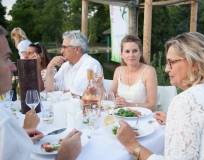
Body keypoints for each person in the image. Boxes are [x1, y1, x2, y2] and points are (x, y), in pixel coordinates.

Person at [116, 32, 204, 160]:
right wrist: (174, 120)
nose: (166, 69)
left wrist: (131, 144)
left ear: (194, 64)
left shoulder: (185, 101)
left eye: (171, 62)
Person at [0, 26, 82, 159]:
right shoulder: (3, 123)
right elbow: (50, 91)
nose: (13, 66)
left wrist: (21, 135)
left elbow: (48, 91)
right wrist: (64, 157)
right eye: (6, 58)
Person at [96, 35, 157, 111]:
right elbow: (109, 99)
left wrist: (128, 105)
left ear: (140, 53)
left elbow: (153, 105)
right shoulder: (118, 71)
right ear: (122, 54)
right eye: (127, 51)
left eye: (135, 51)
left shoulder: (149, 71)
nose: (131, 55)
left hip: (142, 117)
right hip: (121, 116)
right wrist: (99, 85)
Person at [46, 30, 100, 96]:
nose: (61, 51)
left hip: (84, 106)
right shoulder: (65, 65)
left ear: (77, 49)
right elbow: (50, 89)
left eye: (64, 47)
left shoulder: (91, 65)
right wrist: (50, 67)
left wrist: (54, 94)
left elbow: (75, 93)